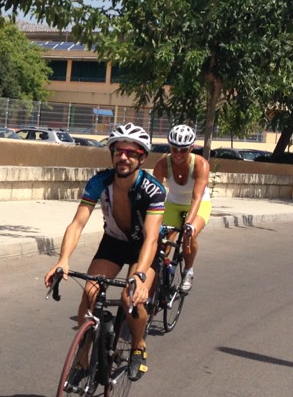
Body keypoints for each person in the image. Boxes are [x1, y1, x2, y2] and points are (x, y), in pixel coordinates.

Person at [43, 123, 165, 381]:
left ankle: (138, 345)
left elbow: (152, 238)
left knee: (130, 298)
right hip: (114, 242)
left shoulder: (152, 189)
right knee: (89, 293)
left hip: (143, 248)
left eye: (131, 153)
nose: (124, 157)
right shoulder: (100, 181)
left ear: (142, 157)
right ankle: (82, 359)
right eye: (119, 151)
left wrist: (141, 275)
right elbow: (77, 224)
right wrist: (63, 260)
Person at [150, 124, 211, 293]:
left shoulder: (201, 165)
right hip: (173, 203)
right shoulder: (162, 164)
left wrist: (188, 224)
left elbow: (196, 197)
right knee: (162, 243)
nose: (178, 154)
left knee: (189, 236)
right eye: (174, 149)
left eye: (183, 150)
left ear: (191, 148)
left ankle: (188, 271)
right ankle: (163, 271)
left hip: (198, 203)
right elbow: (154, 194)